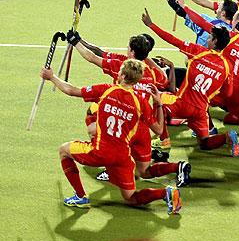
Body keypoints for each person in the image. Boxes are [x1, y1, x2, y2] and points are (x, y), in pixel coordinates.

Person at [42, 59, 181, 214]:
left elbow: (71, 90)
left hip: (100, 152)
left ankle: (81, 196)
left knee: (63, 150)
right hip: (123, 158)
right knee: (131, 198)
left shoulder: (106, 90)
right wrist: (158, 103)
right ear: (136, 80)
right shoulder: (141, 102)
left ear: (121, 75)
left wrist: (52, 77)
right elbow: (159, 129)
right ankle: (166, 193)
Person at [68, 31, 190, 186]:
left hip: (125, 119)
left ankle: (110, 168)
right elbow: (165, 81)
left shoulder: (122, 66)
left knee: (102, 129)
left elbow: (93, 57)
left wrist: (76, 42)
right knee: (143, 171)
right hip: (142, 126)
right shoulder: (150, 72)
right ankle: (178, 166)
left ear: (132, 51)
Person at [141, 0, 237, 153]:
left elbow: (173, 40)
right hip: (201, 110)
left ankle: (164, 140)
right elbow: (228, 93)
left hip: (182, 103)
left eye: (210, 37)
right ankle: (227, 137)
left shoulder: (198, 51)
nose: (207, 39)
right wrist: (208, 97)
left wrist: (151, 25)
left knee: (158, 102)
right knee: (204, 143)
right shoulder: (227, 66)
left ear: (215, 41)